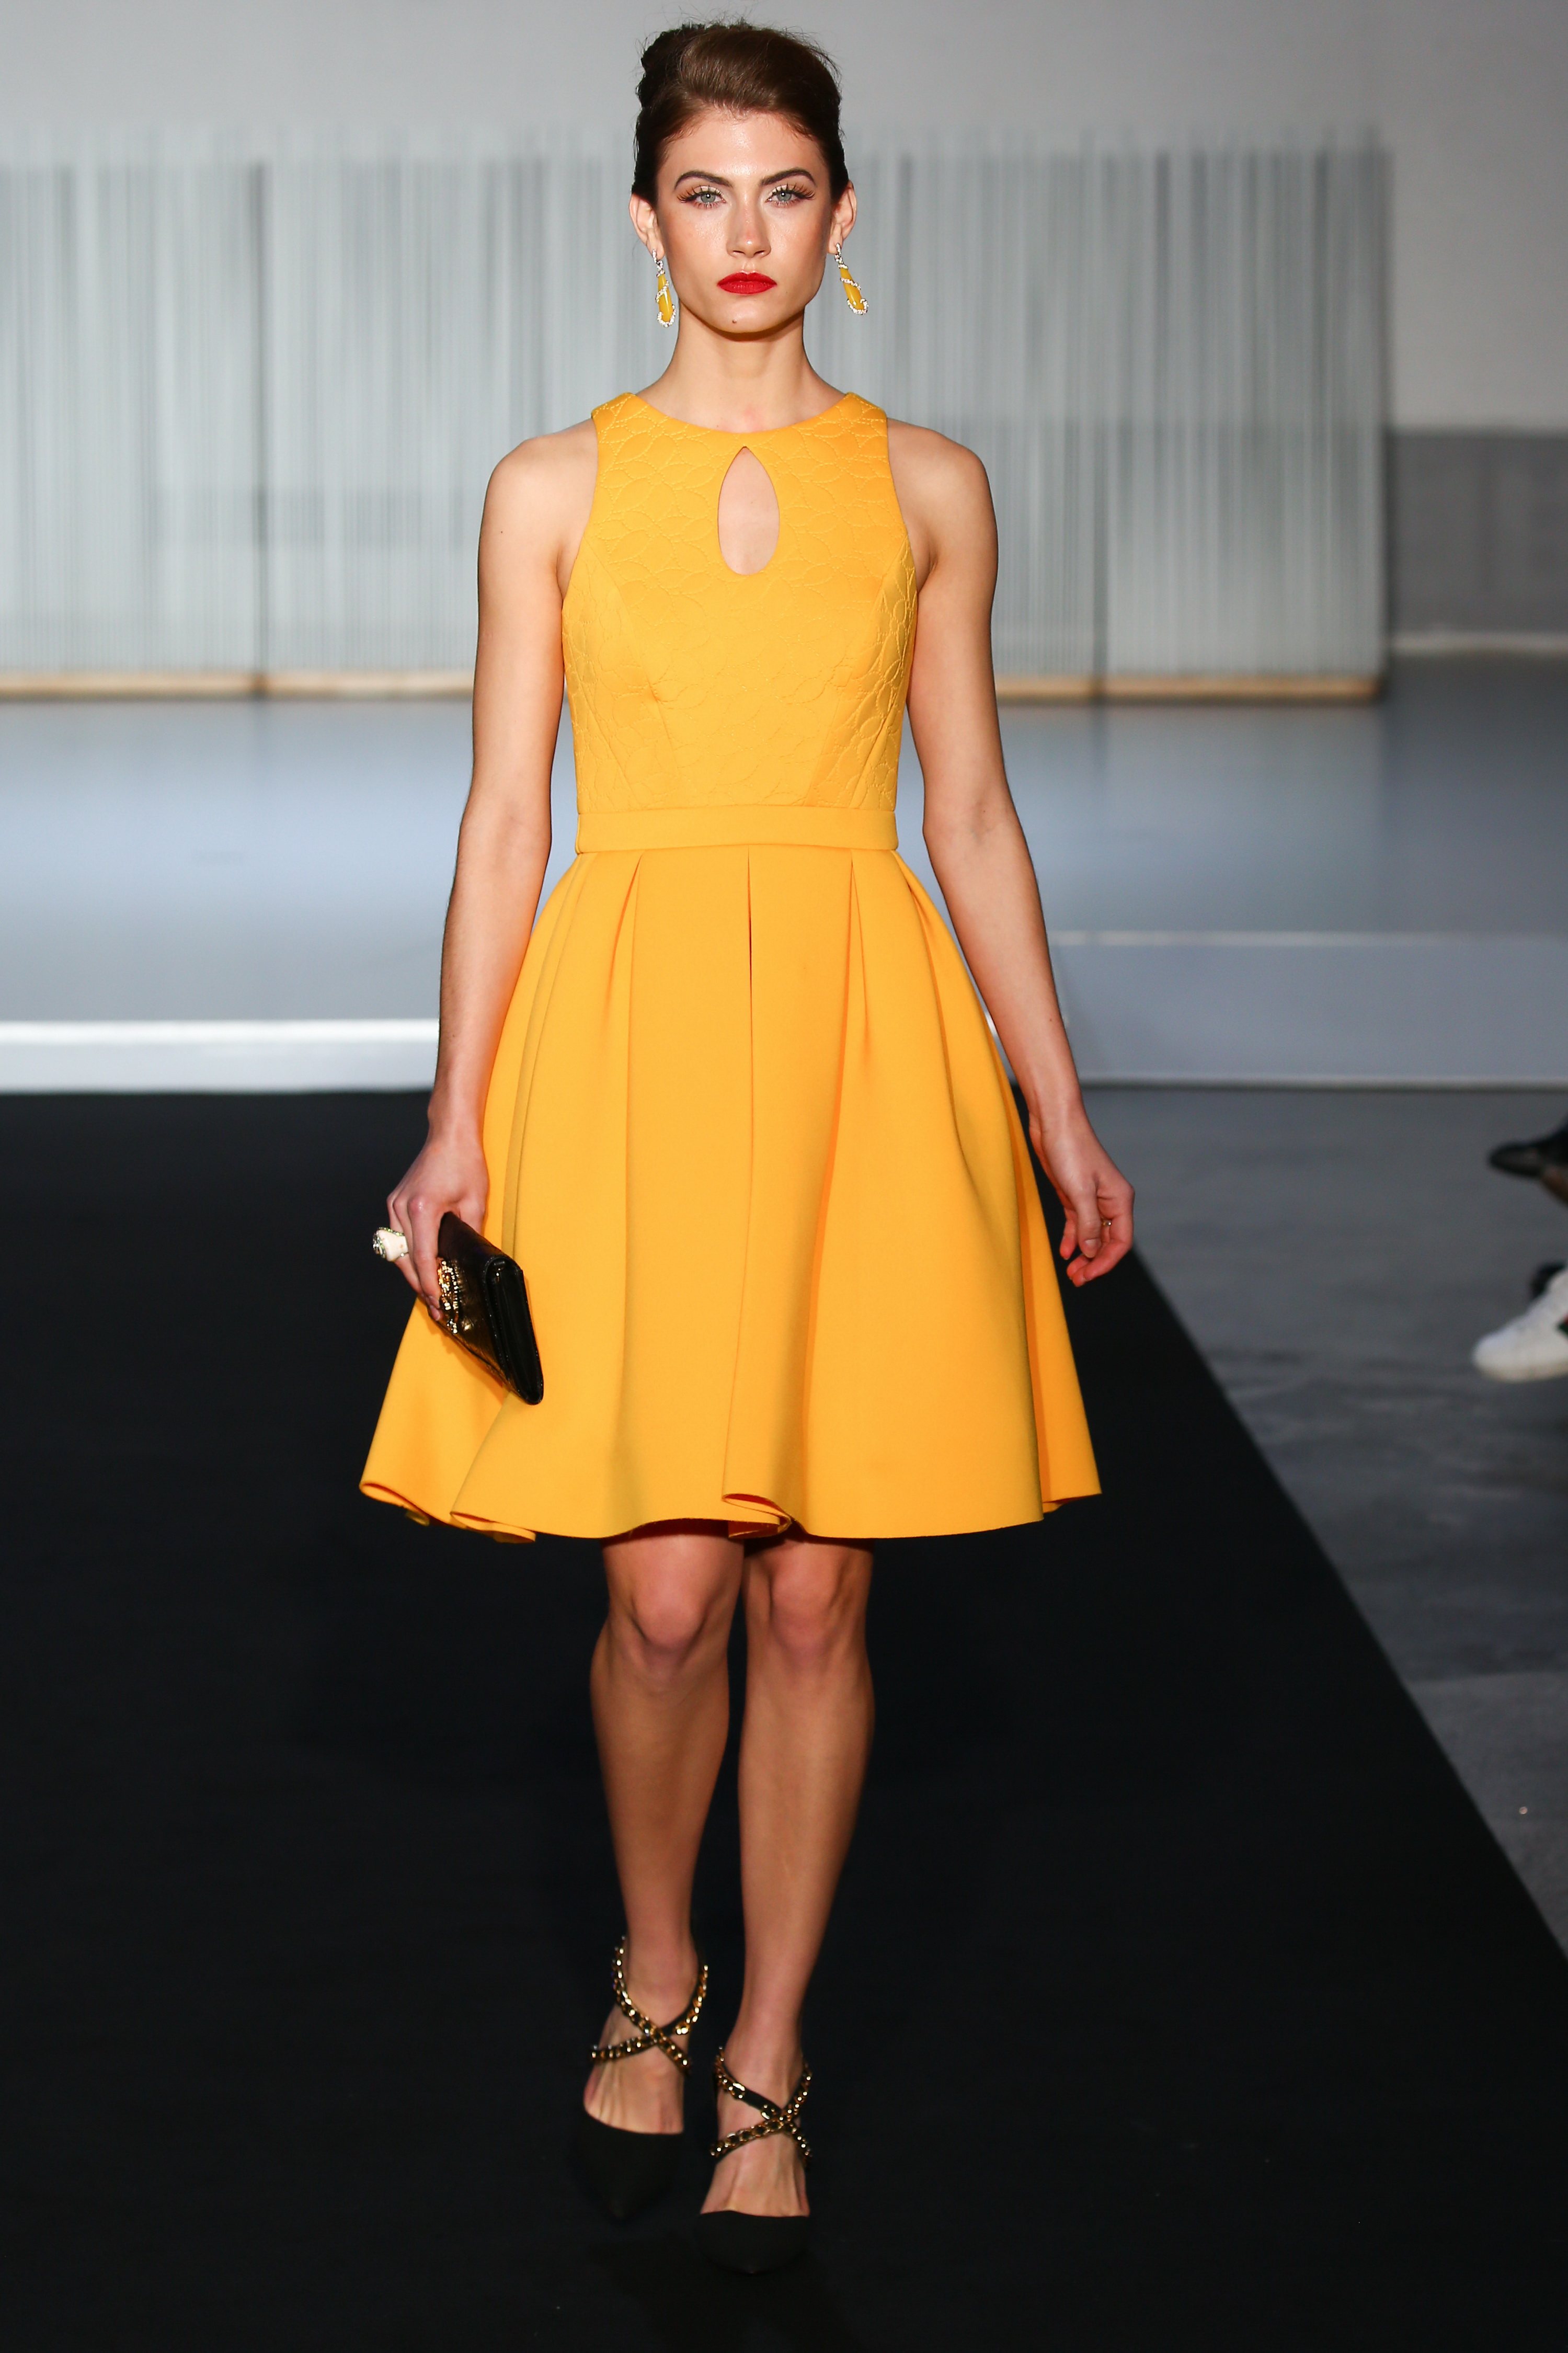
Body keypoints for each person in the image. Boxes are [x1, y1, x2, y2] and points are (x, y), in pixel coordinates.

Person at [361, 20, 1132, 2273]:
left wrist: (1057, 1101)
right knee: (667, 1587)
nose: (746, 233)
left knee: (814, 1589)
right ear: (646, 220)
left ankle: (770, 2054)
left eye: (785, 190)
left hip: (862, 1045)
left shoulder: (930, 488)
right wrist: (454, 1117)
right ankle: (657, 1962)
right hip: (625, 1040)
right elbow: (501, 822)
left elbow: (971, 816)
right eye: (705, 192)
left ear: (842, 217)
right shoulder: (550, 489)